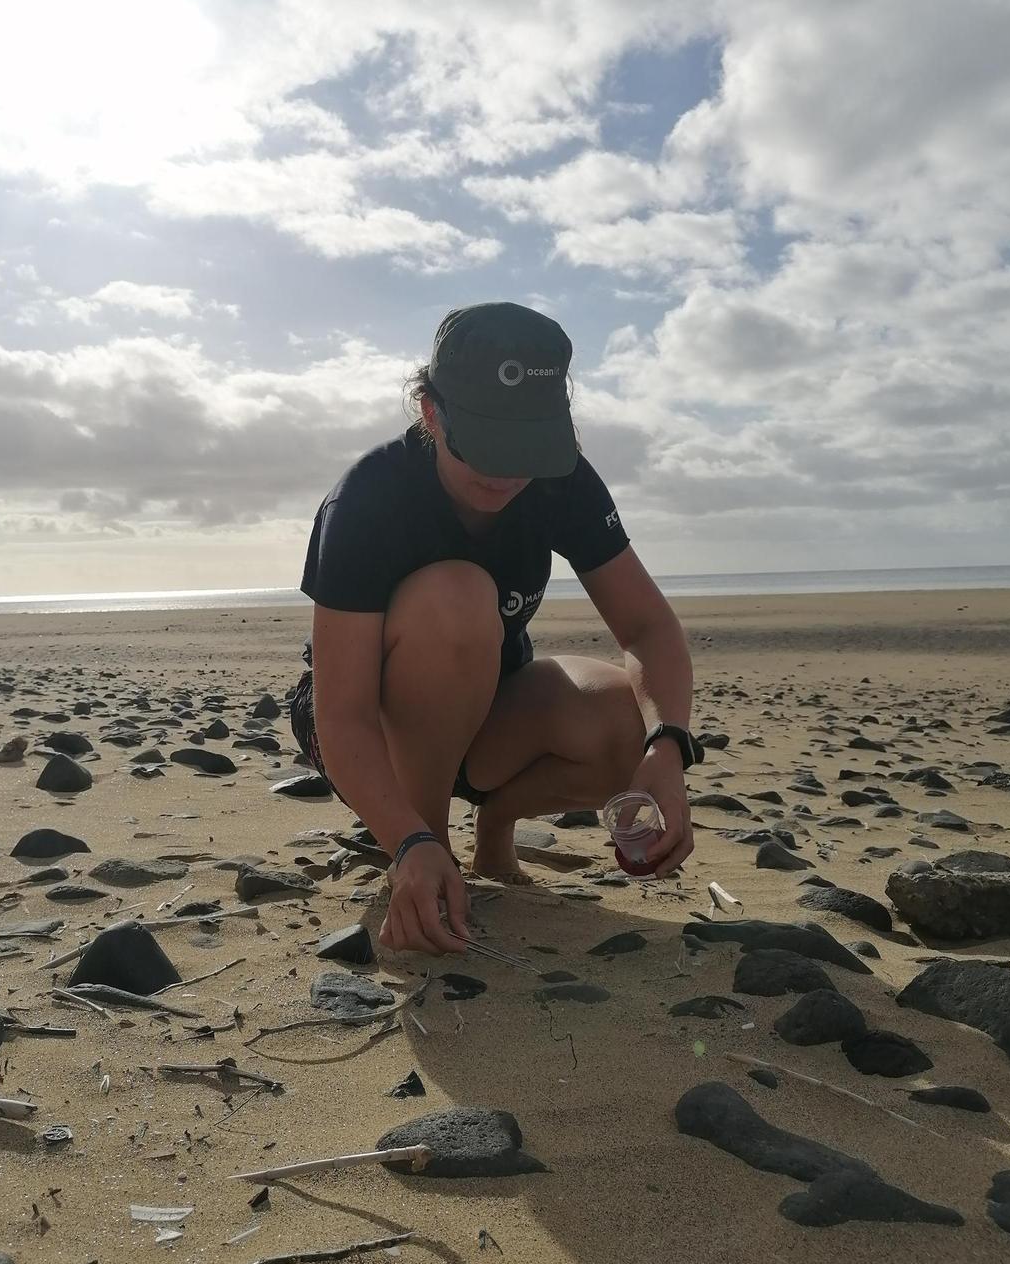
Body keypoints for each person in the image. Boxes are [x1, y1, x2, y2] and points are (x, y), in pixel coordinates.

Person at [290, 301, 702, 957]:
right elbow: (343, 715)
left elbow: (649, 628)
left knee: (634, 723)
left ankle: (495, 822)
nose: (509, 472)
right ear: (431, 412)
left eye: (528, 448)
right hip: (364, 729)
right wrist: (411, 841)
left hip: (486, 708)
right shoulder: (370, 498)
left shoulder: (559, 479)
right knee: (456, 598)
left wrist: (668, 751)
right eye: (487, 445)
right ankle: (427, 848)